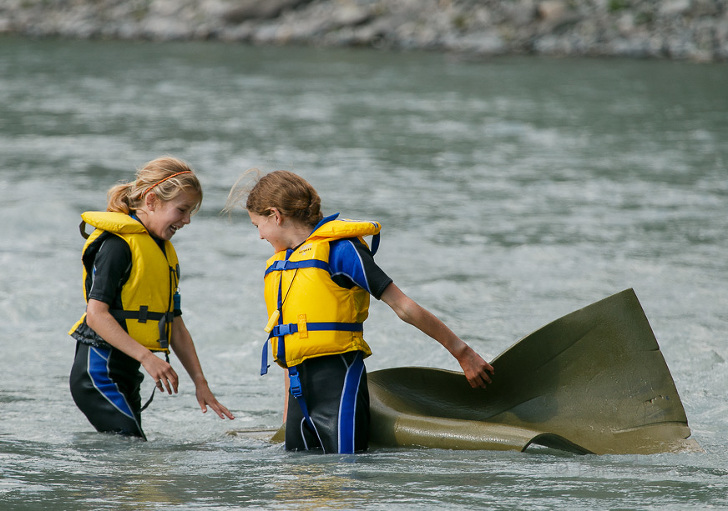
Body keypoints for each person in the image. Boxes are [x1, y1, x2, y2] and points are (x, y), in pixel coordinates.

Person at [225, 169, 493, 454]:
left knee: (345, 482)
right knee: (296, 486)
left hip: (338, 387)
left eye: (257, 225)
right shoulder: (282, 266)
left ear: (275, 215)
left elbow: (403, 306)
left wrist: (462, 352)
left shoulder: (341, 251)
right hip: (298, 398)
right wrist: (287, 415)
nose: (260, 236)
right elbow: (291, 345)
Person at [69, 156, 233, 440]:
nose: (187, 220)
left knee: (126, 465)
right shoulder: (117, 246)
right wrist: (147, 357)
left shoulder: (161, 250)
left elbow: (175, 325)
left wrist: (200, 383)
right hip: (98, 373)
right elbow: (96, 315)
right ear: (152, 200)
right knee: (131, 450)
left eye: (191, 212)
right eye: (182, 210)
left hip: (127, 371)